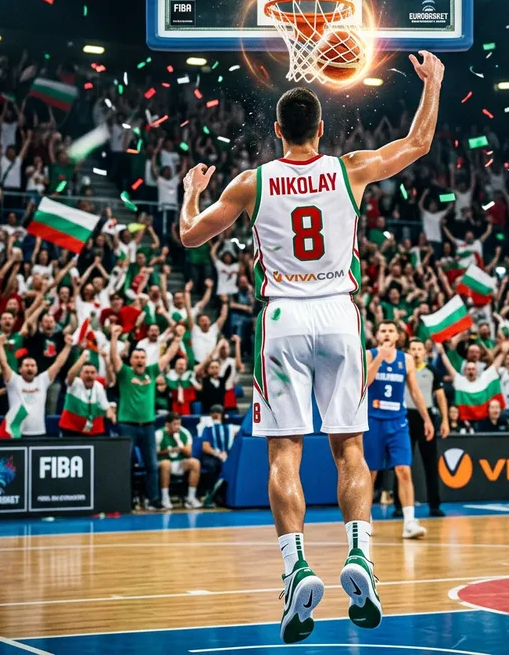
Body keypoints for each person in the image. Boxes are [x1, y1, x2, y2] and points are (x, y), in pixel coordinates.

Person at [179, 51, 445, 642]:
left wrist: (190, 192)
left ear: (278, 131)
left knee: (284, 453)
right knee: (350, 446)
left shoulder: (254, 182)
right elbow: (418, 144)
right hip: (339, 315)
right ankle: (360, 556)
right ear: (320, 129)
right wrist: (435, 84)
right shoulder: (350, 169)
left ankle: (296, 564)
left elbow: (189, 235)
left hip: (282, 317)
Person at [364, 321, 434, 539]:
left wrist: (427, 419)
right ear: (377, 335)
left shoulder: (406, 359)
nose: (386, 333)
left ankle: (409, 522)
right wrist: (379, 357)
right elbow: (365, 382)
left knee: (404, 470)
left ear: (398, 336)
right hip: (373, 420)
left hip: (398, 421)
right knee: (370, 473)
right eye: (383, 330)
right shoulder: (369, 354)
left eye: (391, 331)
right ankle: (365, 520)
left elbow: (414, 391)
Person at [109, 323, 176, 511]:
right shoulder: (124, 373)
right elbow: (114, 358)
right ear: (131, 360)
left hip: (148, 425)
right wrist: (114, 337)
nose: (139, 360)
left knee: (152, 465)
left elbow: (168, 356)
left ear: (146, 360)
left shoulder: (152, 372)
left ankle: (153, 500)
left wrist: (177, 339)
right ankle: (126, 500)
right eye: (136, 357)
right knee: (125, 465)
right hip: (127, 425)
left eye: (142, 357)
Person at [391, 337, 448, 518]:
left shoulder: (432, 370)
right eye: (413, 349)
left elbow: (440, 397)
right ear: (408, 351)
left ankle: (434, 504)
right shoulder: (402, 369)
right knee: (401, 462)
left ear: (425, 352)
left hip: (426, 418)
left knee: (430, 462)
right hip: (404, 416)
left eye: (419, 349)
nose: (416, 352)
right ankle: (399, 505)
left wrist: (445, 420)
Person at [0, 333, 73, 437]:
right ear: (20, 369)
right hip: (17, 433)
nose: (30, 368)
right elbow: (3, 364)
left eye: (32, 365)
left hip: (39, 433)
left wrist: (68, 346)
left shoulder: (42, 380)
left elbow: (58, 364)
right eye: (26, 365)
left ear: (36, 369)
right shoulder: (14, 381)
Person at [156, 411, 202, 509]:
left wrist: (179, 443)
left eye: (179, 424)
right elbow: (153, 453)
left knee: (195, 463)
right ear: (167, 425)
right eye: (175, 424)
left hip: (179, 463)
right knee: (166, 464)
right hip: (162, 462)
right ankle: (165, 498)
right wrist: (167, 451)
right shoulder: (159, 434)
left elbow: (189, 453)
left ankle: (190, 498)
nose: (177, 427)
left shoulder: (184, 433)